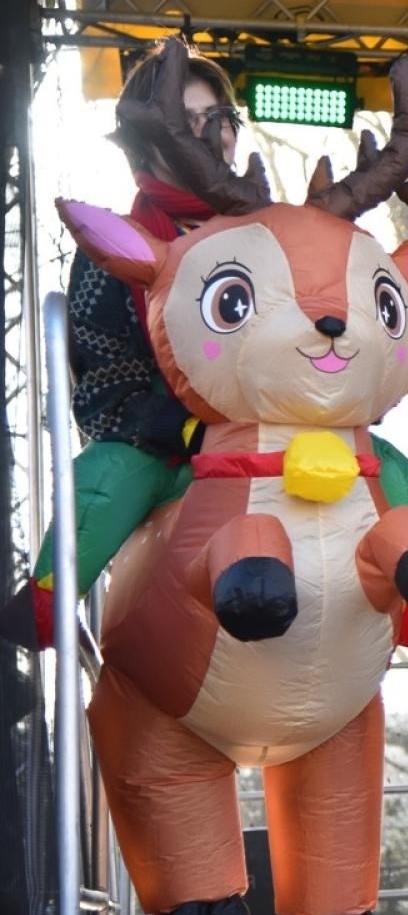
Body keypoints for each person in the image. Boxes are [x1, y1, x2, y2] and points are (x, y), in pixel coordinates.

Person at [1, 38, 243, 648]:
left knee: (383, 468)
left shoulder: (274, 237)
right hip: (166, 451)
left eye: (217, 119)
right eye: (182, 122)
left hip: (280, 436)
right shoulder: (113, 249)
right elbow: (106, 386)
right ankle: (41, 611)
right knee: (104, 476)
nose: (205, 134)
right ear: (144, 141)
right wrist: (194, 431)